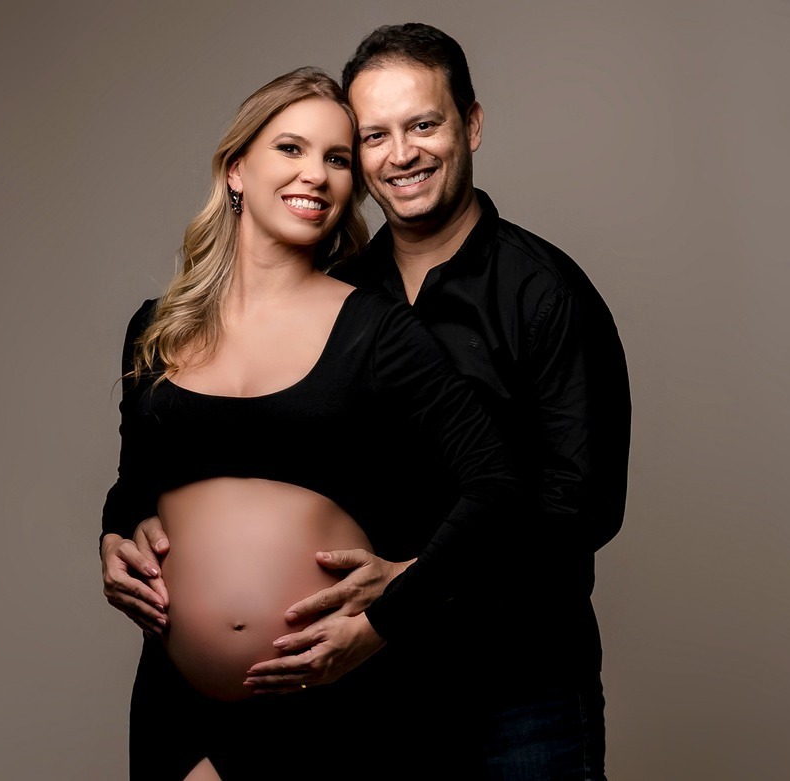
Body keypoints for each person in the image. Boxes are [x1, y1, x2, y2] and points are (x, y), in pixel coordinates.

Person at [100, 65, 520, 780]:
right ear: (237, 169)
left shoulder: (377, 330)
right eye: (290, 148)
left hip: (327, 701)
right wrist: (113, 537)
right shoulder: (157, 328)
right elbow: (135, 484)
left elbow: (496, 484)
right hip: (175, 699)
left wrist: (388, 613)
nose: (316, 175)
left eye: (338, 159)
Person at [242, 23, 633, 780]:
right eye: (374, 135)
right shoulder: (337, 294)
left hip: (521, 688)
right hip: (368, 688)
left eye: (423, 125)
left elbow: (581, 508)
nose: (401, 154)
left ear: (471, 125)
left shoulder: (545, 292)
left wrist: (414, 587)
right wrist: (137, 518)